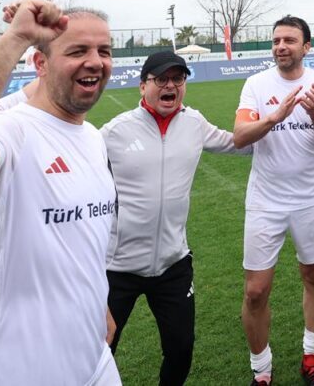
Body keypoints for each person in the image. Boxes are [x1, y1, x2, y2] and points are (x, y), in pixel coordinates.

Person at [0, 0, 123, 386]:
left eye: (104, 51)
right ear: (40, 64)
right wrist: (16, 36)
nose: (95, 61)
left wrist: (96, 303)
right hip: (5, 367)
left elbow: (79, 241)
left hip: (91, 358)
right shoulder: (12, 130)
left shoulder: (92, 138)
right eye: (77, 51)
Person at [101, 49, 247, 385]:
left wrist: (276, 123)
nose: (171, 86)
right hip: (116, 268)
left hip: (173, 264)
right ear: (143, 86)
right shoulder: (114, 132)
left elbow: (238, 144)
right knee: (100, 350)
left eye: (178, 79)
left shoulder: (194, 123)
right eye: (161, 79)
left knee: (181, 349)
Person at [233, 16, 314, 386]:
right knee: (255, 291)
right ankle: (261, 370)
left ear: (306, 47)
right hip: (265, 199)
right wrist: (275, 117)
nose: (281, 46)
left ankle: (312, 358)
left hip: (310, 197)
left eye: (289, 40)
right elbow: (240, 136)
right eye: (276, 40)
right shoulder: (256, 83)